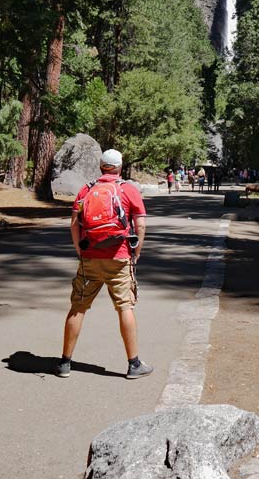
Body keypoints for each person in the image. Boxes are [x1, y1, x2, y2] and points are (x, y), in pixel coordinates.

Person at [54, 149, 153, 380]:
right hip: (119, 258)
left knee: (78, 307)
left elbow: (74, 224)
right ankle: (134, 364)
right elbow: (140, 226)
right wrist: (135, 253)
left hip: (90, 259)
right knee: (124, 307)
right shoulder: (128, 189)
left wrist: (80, 250)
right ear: (120, 166)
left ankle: (65, 363)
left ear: (101, 166)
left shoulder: (86, 190)